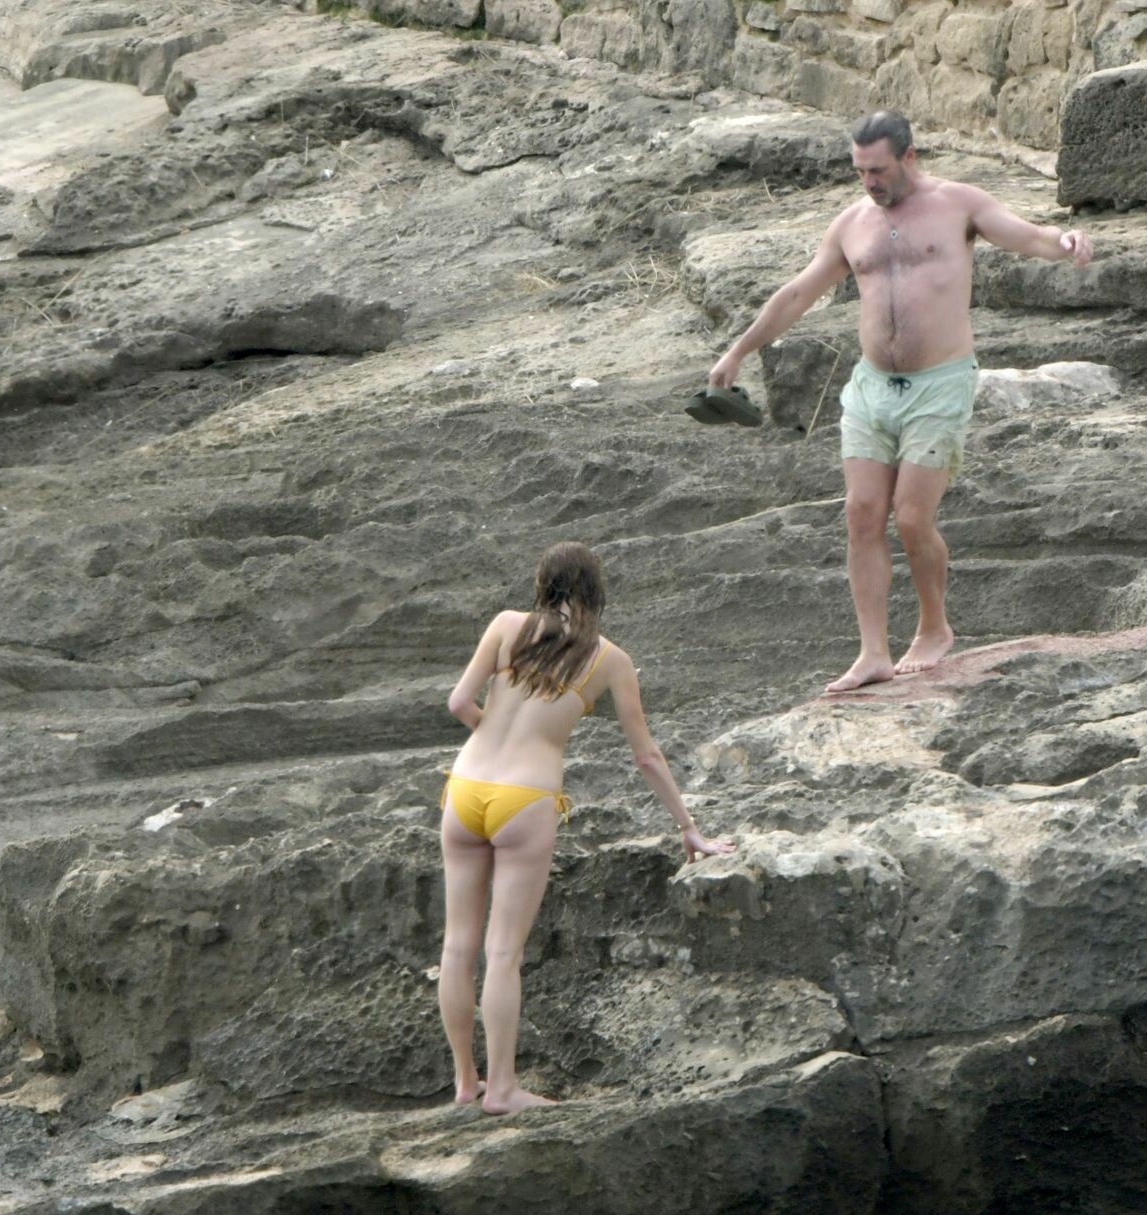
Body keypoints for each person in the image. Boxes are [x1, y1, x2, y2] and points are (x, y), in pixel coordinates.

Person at [709, 110, 1095, 693]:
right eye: (860, 171)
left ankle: (934, 627)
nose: (869, 182)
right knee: (862, 513)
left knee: (912, 518)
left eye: (879, 170)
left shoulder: (959, 204)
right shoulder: (852, 224)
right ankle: (872, 652)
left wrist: (1064, 243)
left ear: (909, 156)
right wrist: (738, 351)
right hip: (871, 387)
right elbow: (797, 294)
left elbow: (1029, 236)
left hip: (940, 384)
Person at [438, 542, 737, 1114]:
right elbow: (646, 756)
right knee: (503, 953)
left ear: (542, 582)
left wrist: (493, 740)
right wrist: (689, 827)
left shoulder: (505, 625)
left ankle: (464, 1082)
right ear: (596, 592)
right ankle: (501, 1089)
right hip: (525, 799)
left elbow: (458, 703)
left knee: (457, 946)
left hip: (465, 787)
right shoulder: (611, 660)